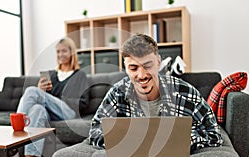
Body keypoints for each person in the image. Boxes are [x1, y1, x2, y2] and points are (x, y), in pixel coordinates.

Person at [0, 37, 89, 157]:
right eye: (58, 51)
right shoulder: (52, 74)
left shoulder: (80, 75)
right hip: (51, 111)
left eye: (64, 51)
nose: (60, 54)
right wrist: (43, 90)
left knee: (32, 91)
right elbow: (44, 102)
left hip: (69, 112)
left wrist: (53, 97)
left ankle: (12, 143)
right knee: (37, 110)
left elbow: (84, 103)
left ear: (72, 52)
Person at [88, 33, 223, 151]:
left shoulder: (186, 93)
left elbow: (213, 133)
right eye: (133, 68)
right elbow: (95, 130)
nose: (141, 75)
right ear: (126, 68)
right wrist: (123, 141)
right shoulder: (118, 93)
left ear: (158, 62)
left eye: (147, 66)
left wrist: (183, 141)